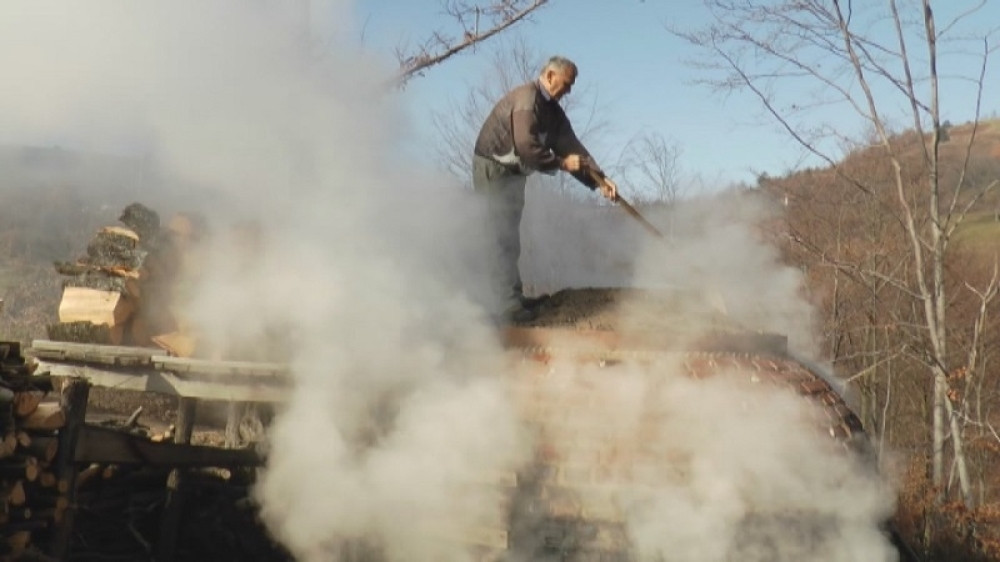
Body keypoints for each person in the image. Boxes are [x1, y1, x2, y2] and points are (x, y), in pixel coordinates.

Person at [473, 55, 617, 323]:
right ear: (550, 76)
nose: (569, 91)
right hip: (492, 168)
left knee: (510, 237)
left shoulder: (552, 112)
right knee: (499, 237)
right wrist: (563, 163)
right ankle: (506, 307)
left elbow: (572, 147)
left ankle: (513, 297)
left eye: (572, 85)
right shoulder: (527, 100)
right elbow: (527, 147)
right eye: (566, 83)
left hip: (514, 171)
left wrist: (600, 180)